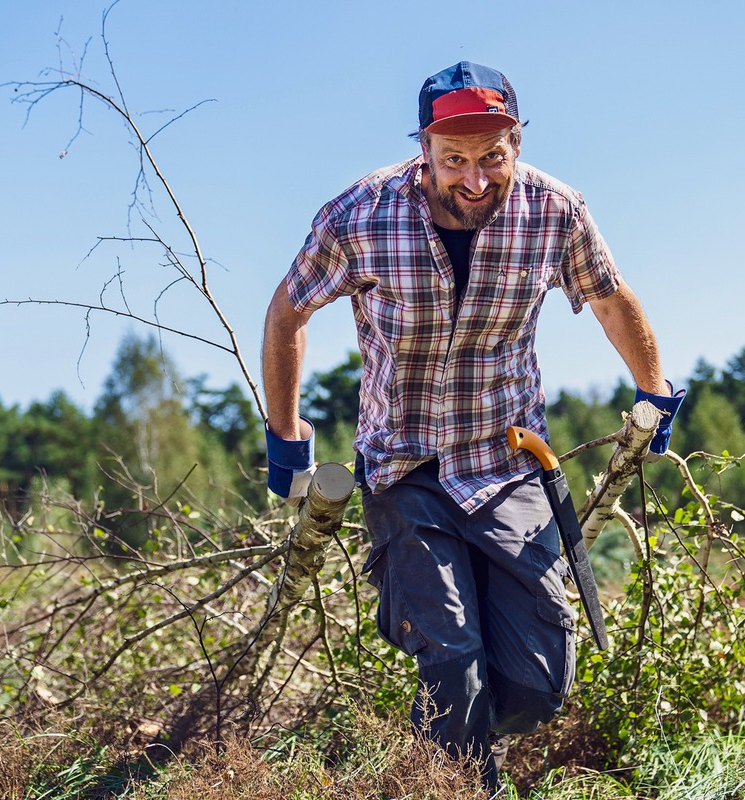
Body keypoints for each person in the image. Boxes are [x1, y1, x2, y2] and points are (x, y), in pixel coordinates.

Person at [261, 61, 684, 789]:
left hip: (509, 460)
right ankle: (454, 775)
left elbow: (612, 299)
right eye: (453, 159)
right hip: (407, 467)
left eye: (493, 156)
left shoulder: (556, 212)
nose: (475, 179)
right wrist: (286, 435)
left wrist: (655, 394)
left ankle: (453, 734)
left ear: (517, 142)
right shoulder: (359, 215)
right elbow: (288, 311)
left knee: (540, 682)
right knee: (452, 659)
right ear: (424, 148)